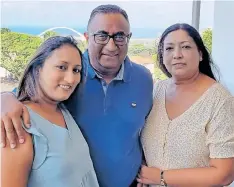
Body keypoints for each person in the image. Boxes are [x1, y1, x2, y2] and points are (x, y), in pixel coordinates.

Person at [0, 4, 153, 187]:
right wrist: (4, 98)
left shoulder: (143, 79)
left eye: (120, 36)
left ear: (129, 38)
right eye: (102, 35)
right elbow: (28, 95)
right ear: (87, 37)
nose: (111, 46)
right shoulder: (67, 79)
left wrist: (143, 161)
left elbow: (141, 130)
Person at [137, 23, 234, 187]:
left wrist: (160, 177)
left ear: (201, 54)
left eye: (186, 47)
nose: (177, 55)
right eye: (169, 48)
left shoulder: (219, 100)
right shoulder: (157, 90)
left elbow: (224, 174)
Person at [1, 36, 99, 187]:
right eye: (62, 67)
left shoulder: (63, 111)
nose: (71, 79)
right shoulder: (18, 123)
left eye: (76, 70)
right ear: (38, 68)